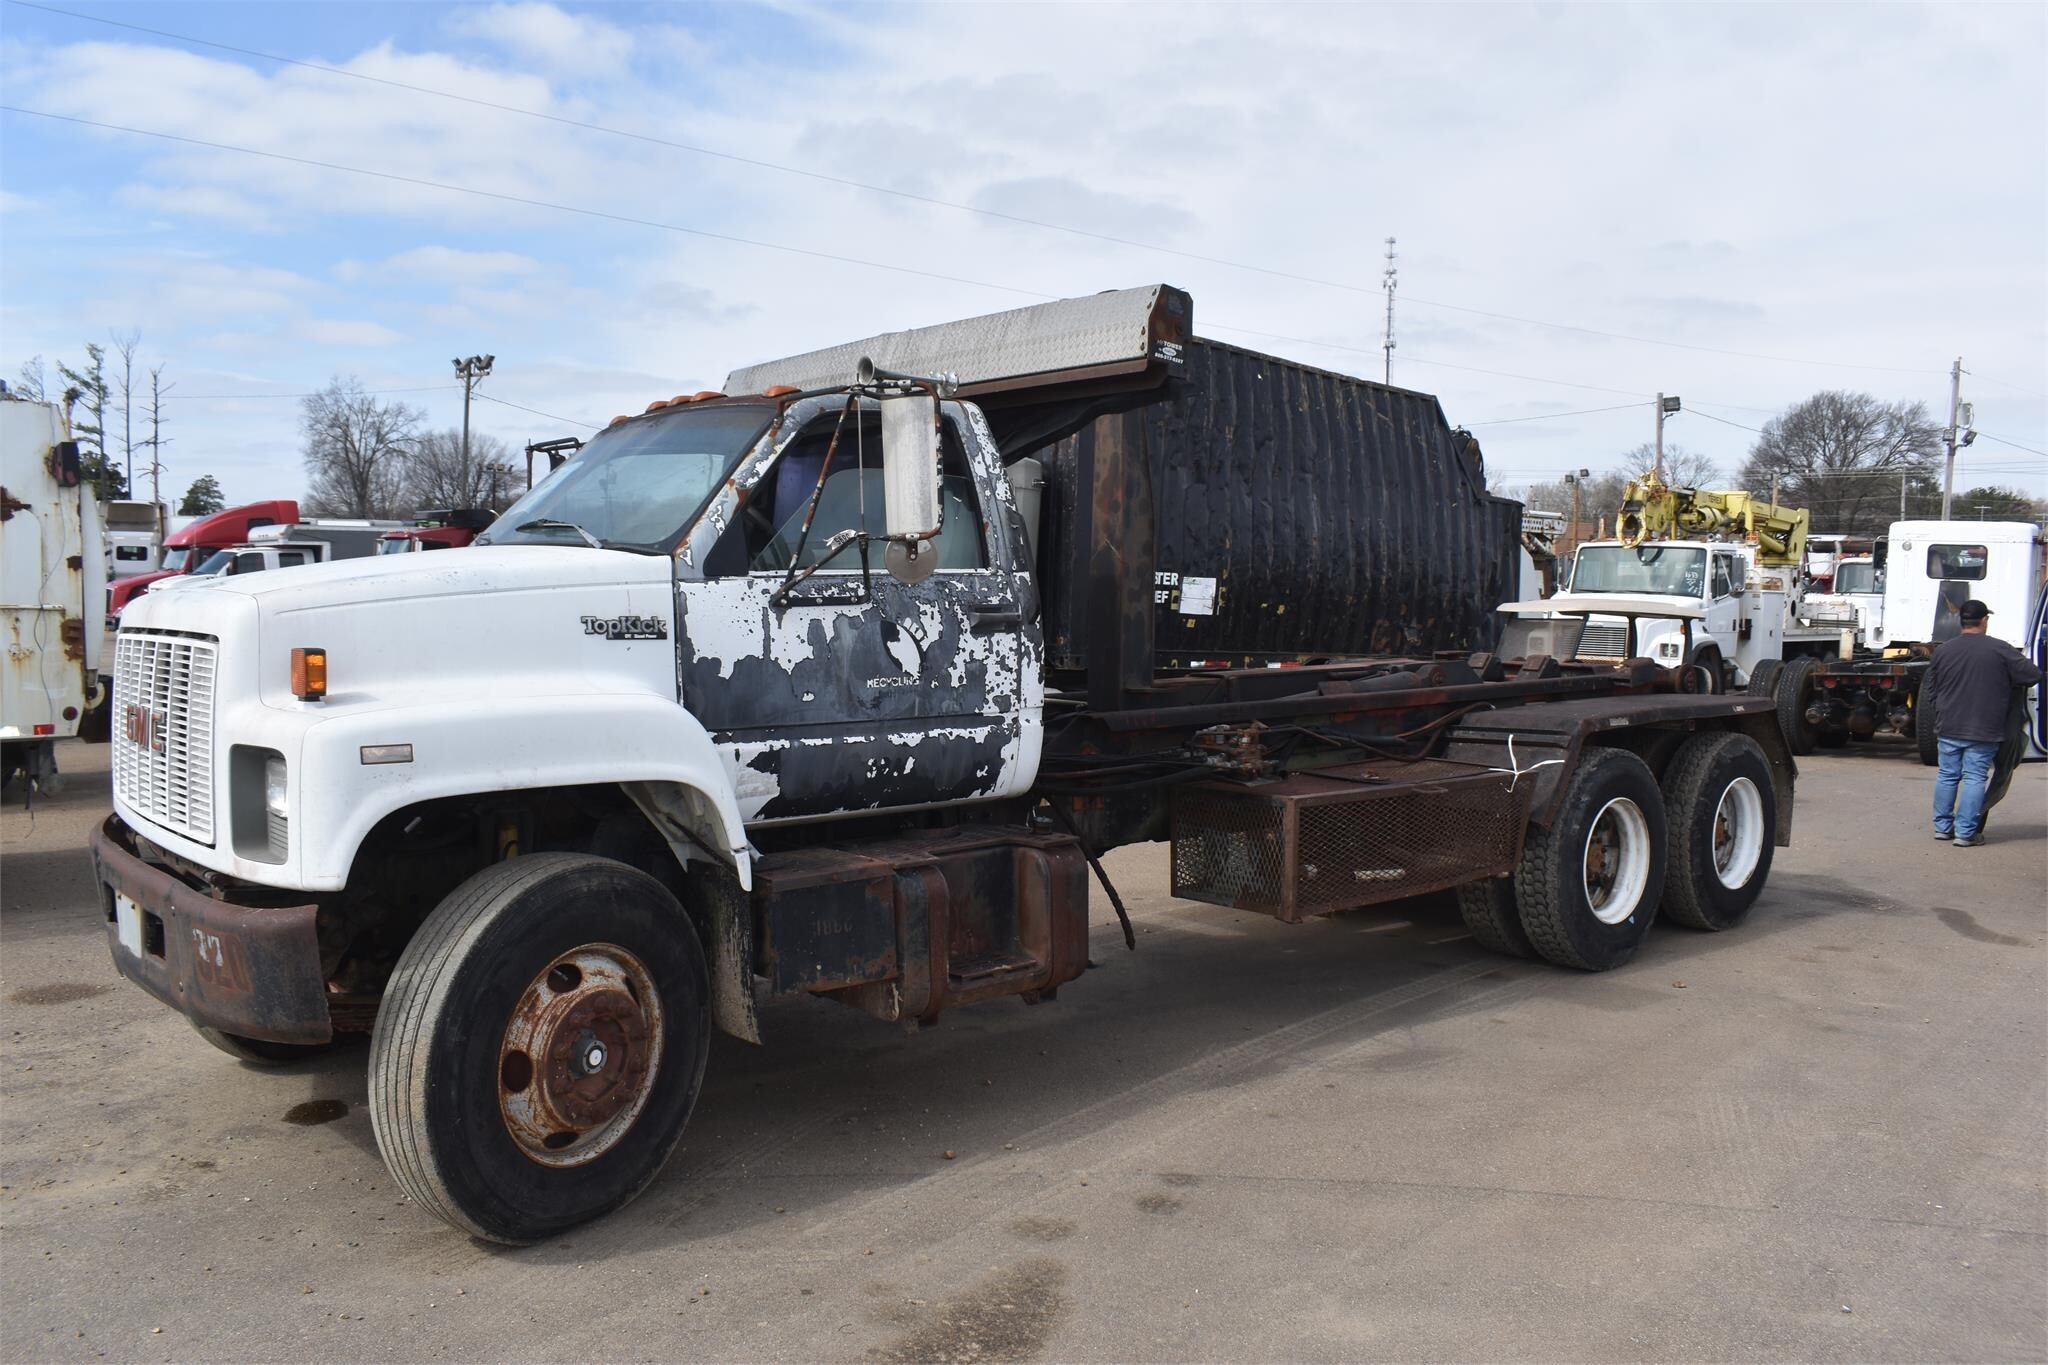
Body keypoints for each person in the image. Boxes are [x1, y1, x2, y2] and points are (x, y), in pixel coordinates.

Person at [1927, 599, 2042, 847]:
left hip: (1948, 725)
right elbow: (2033, 675)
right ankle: (1965, 833)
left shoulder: (1944, 650)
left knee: (1947, 775)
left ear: (1962, 621)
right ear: (1984, 621)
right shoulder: (2000, 650)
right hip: (1984, 728)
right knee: (1974, 777)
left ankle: (1942, 828)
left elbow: (1932, 689)